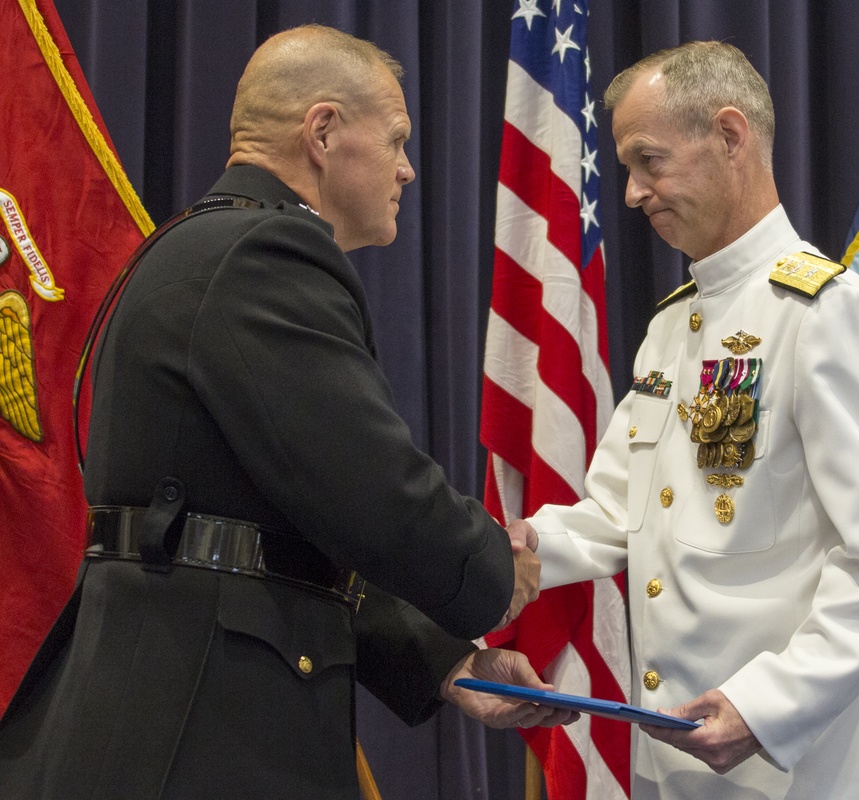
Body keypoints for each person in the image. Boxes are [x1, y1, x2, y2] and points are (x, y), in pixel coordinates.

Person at [0, 24, 573, 800]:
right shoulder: (267, 256)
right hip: (204, 740)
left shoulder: (195, 250)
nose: (408, 168)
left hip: (165, 718)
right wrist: (492, 572)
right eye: (397, 138)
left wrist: (446, 663)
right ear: (324, 132)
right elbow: (374, 487)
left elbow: (273, 535)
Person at [507, 41, 859, 799]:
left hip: (806, 764)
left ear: (730, 135)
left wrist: (765, 708)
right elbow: (616, 510)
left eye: (649, 161)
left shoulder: (824, 315)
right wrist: (517, 544)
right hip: (684, 761)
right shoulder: (672, 327)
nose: (633, 193)